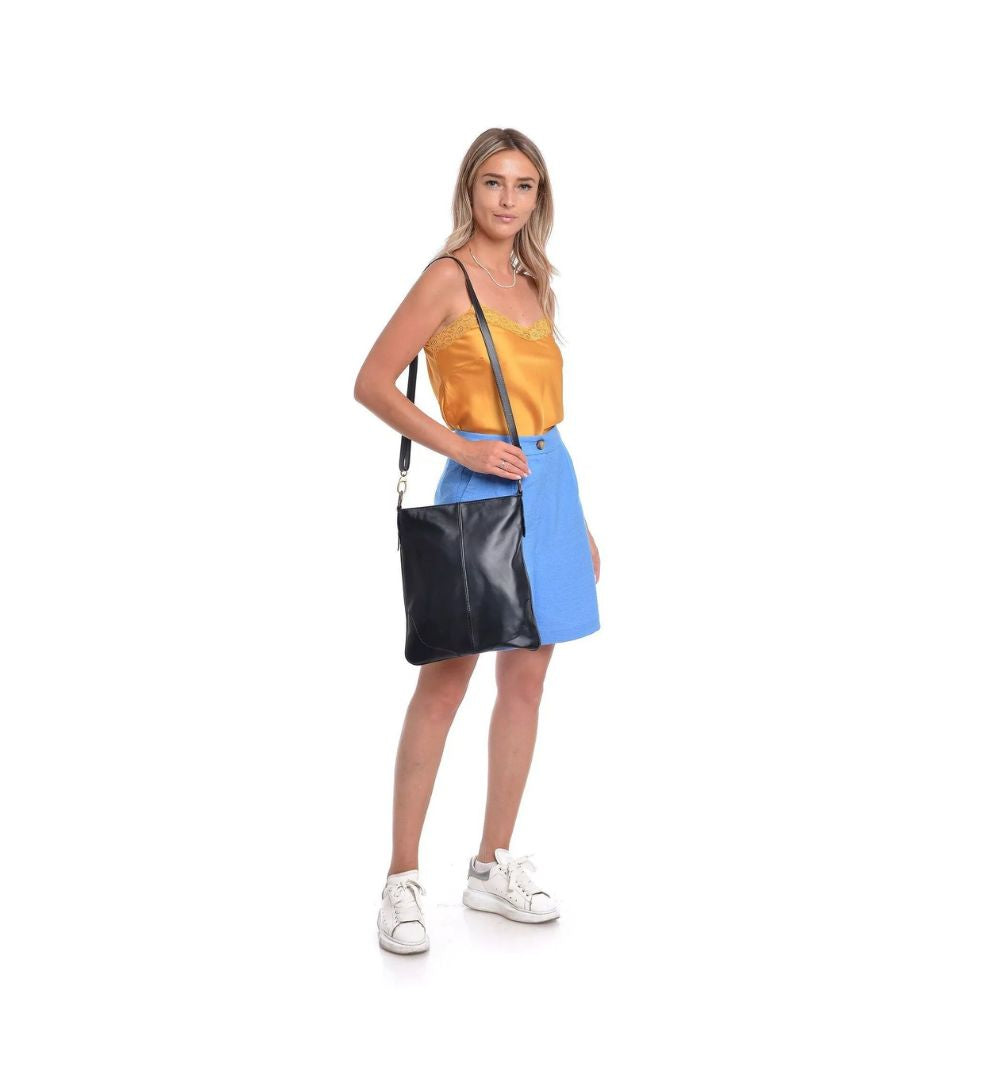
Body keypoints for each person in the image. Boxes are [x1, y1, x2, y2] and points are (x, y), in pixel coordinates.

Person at [353, 127, 601, 954]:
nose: (508, 199)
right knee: (444, 684)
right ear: (470, 188)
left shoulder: (534, 283)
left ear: (539, 197)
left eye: (525, 185)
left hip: (550, 490)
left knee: (526, 684)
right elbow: (371, 382)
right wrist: (460, 448)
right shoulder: (446, 278)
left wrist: (578, 522)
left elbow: (543, 420)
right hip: (480, 493)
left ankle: (491, 867)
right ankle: (401, 878)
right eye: (495, 182)